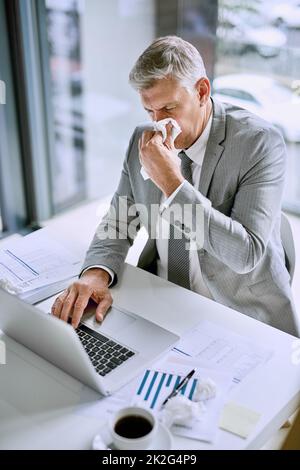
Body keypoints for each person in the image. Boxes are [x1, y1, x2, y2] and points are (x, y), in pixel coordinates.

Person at [51, 36, 299, 337]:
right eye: (149, 111)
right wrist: (96, 273)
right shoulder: (142, 140)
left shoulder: (259, 143)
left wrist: (172, 183)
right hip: (163, 298)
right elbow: (118, 223)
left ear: (202, 91)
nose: (159, 124)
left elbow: (246, 254)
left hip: (239, 311)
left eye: (169, 107)